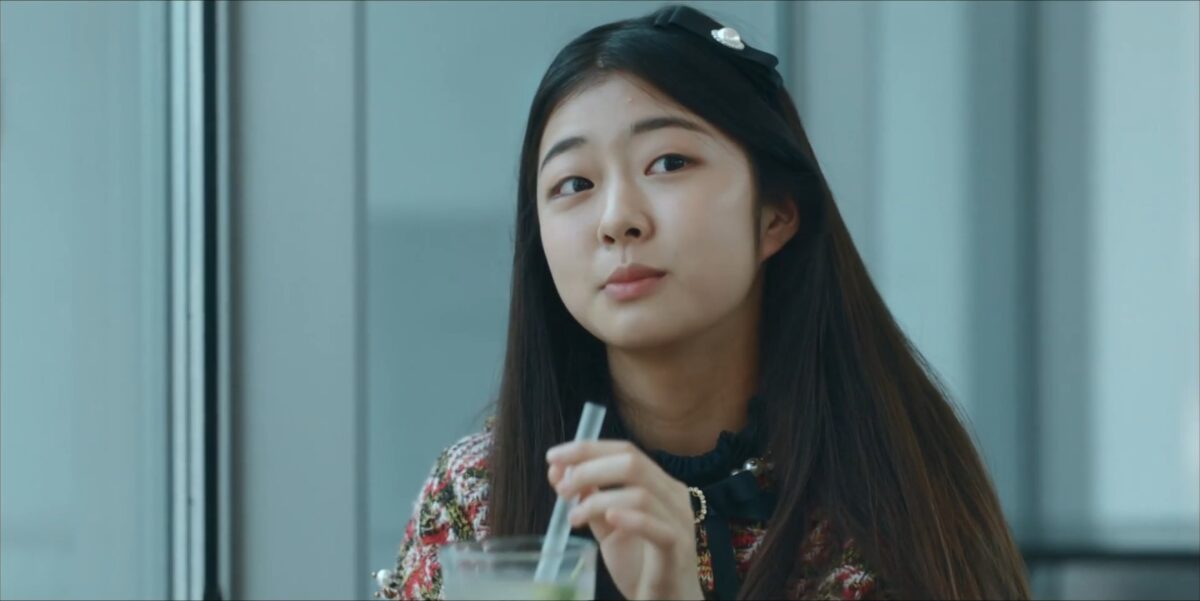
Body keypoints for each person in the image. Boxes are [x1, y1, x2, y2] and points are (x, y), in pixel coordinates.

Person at [376, 4, 1030, 600]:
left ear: (775, 213)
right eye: (574, 183)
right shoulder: (479, 496)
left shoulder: (891, 502)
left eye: (668, 163)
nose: (617, 218)